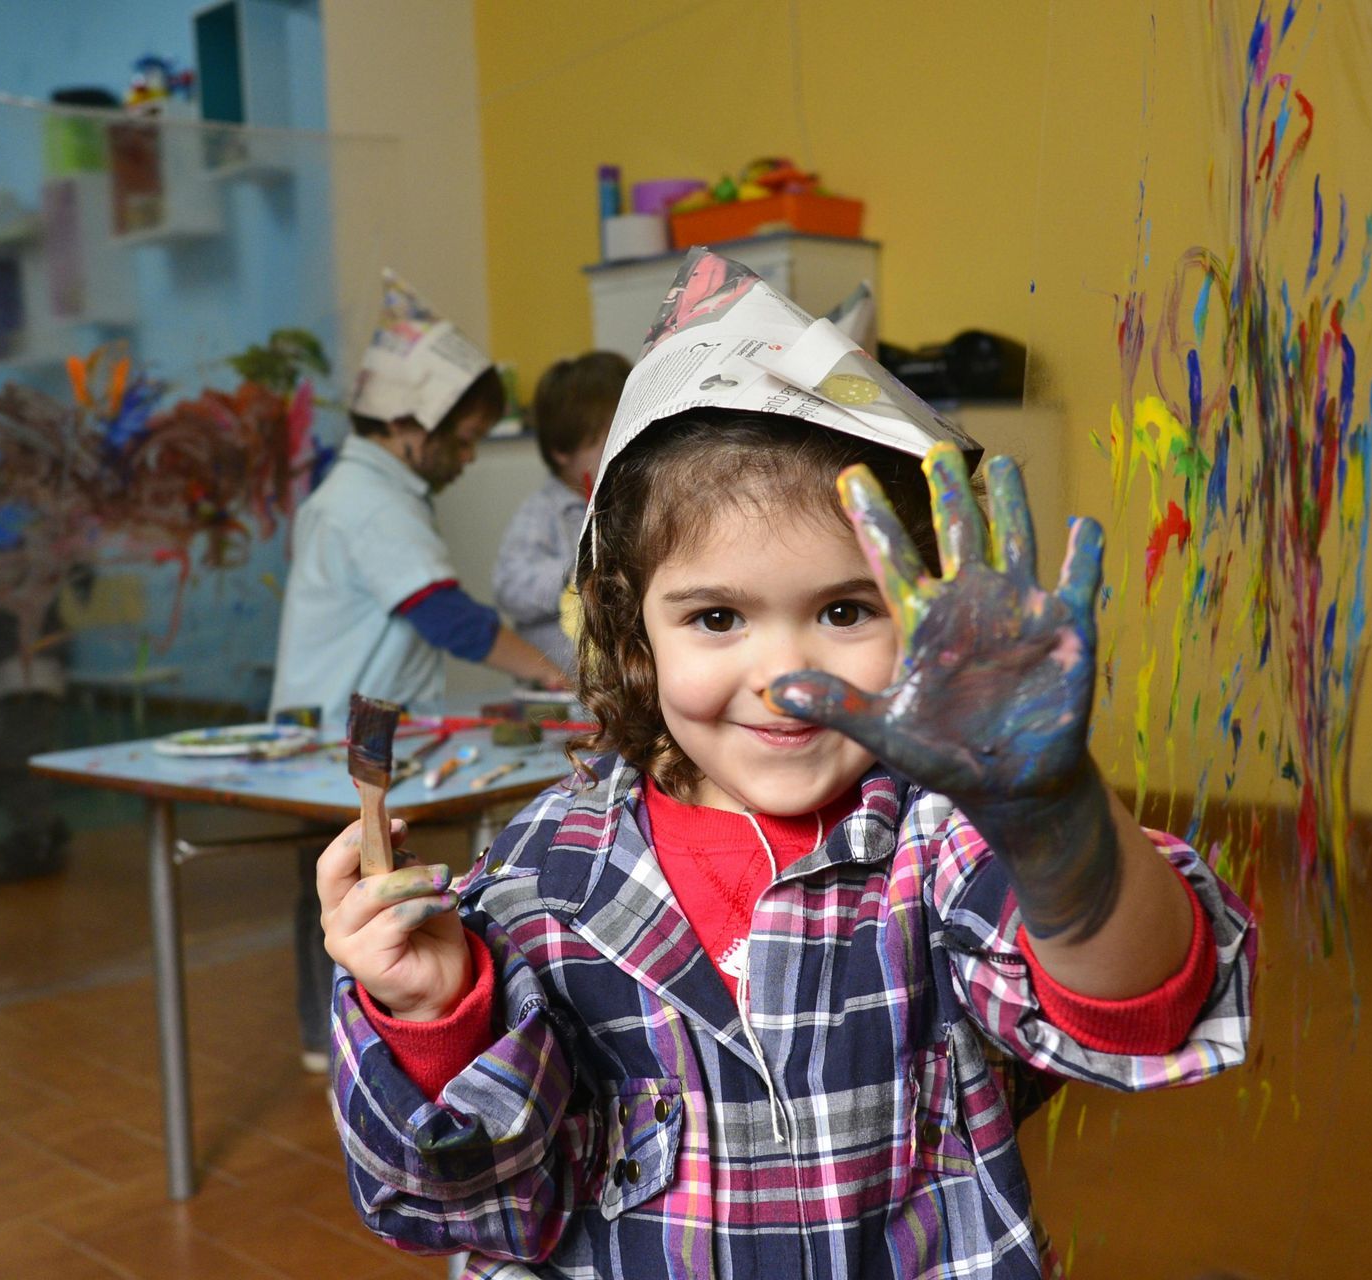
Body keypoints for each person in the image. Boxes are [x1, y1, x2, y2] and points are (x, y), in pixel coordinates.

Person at [314, 253, 1256, 1276]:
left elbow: (1148, 1008)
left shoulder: (937, 839)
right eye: (717, 616)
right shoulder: (541, 877)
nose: (787, 678)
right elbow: (475, 1199)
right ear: (636, 635)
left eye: (845, 610)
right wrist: (435, 1007)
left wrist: (1055, 818)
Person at [273, 270, 566, 1072]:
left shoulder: (371, 490)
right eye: (462, 437)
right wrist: (553, 675)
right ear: (409, 421)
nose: (467, 458)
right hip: (340, 730)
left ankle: (332, 1040)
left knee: (336, 890)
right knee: (346, 892)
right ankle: (347, 1045)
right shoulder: (371, 501)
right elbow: (448, 616)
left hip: (348, 721)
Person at [492, 350, 631, 675]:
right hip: (558, 688)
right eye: (608, 443)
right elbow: (508, 586)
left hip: (618, 687)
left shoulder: (631, 505)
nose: (624, 453)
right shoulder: (543, 512)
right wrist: (573, 573)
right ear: (562, 449)